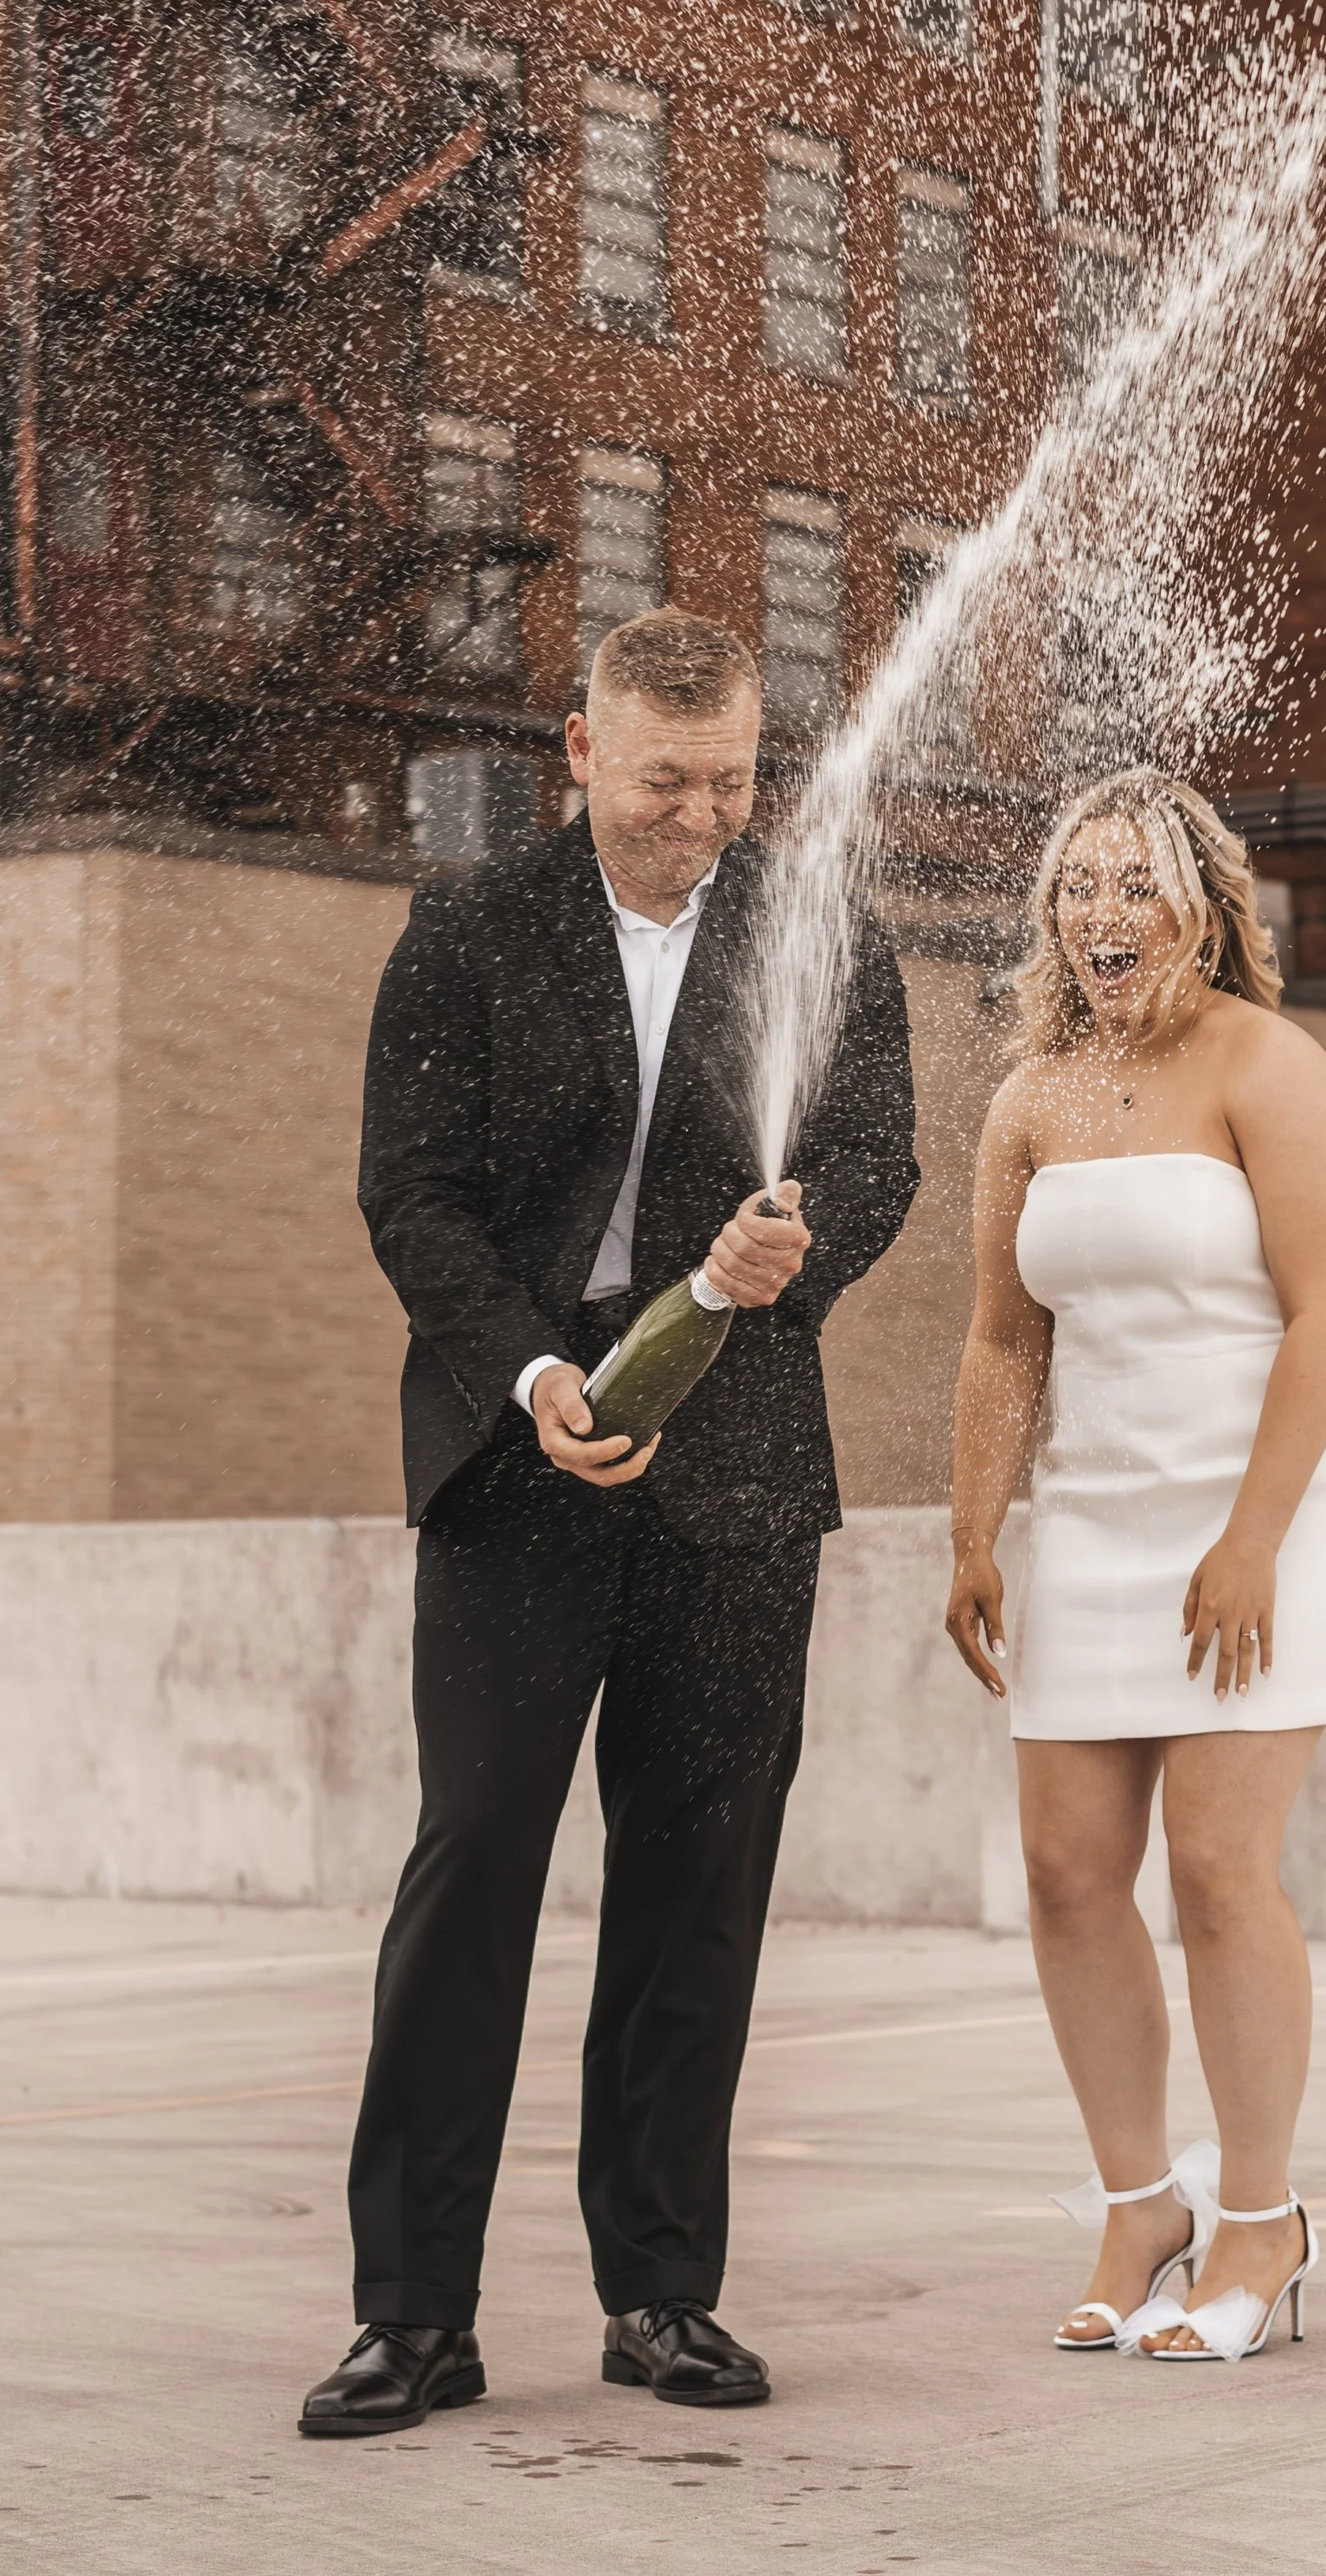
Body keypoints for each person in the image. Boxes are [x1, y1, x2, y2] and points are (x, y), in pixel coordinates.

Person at [299, 609, 919, 2435]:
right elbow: (409, 1199)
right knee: (471, 1870)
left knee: (696, 1893)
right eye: (665, 782)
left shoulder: (816, 932)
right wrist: (530, 1382)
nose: (701, 818)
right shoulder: (465, 934)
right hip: (514, 1464)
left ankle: (661, 2296)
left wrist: (791, 1261)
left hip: (738, 1478)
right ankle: (412, 2315)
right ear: (578, 751)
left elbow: (877, 1149)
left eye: (732, 781)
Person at [945, 765, 1326, 2364]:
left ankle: (1261, 2215)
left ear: (1202, 904)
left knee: (1213, 1867)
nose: (1104, 917)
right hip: (1099, 1515)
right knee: (1066, 1867)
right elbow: (1003, 1336)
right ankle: (1142, 2198)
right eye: (1080, 888)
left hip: (1268, 1499)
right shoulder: (1029, 1100)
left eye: (1137, 886)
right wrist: (974, 1523)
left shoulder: (1271, 1063)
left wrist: (1252, 1537)